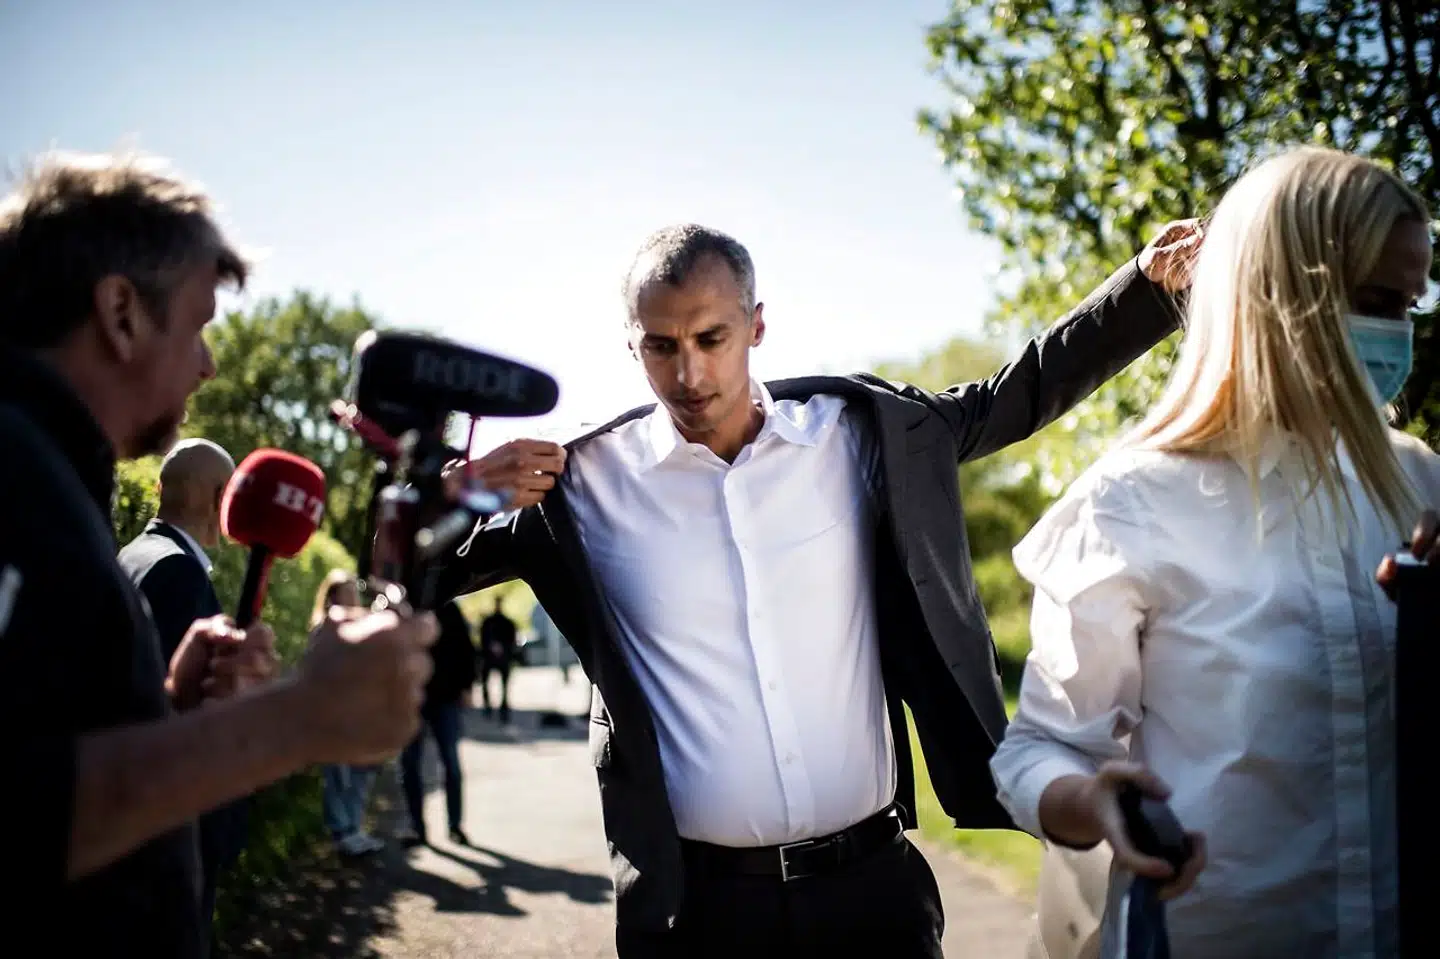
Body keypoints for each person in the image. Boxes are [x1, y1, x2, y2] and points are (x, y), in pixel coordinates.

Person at [436, 219, 1199, 957]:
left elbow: (1015, 394)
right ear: (630, 344)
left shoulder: (859, 434)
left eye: (712, 339)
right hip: (698, 914)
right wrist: (455, 492)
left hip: (873, 896)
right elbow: (409, 579)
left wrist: (1143, 288)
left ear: (757, 325)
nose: (689, 373)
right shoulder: (577, 485)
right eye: (660, 347)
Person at [990, 146, 1438, 958]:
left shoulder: (1420, 485)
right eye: (1375, 302)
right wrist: (1095, 802)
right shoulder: (1132, 502)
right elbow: (1039, 748)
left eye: (1409, 305)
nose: (1397, 336)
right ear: (1279, 294)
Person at [0, 149, 437, 957]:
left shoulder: (54, 477)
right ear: (121, 311)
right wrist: (299, 716)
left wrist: (168, 703)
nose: (208, 363)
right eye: (200, 325)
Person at [117, 437, 252, 945]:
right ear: (218, 497)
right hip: (176, 828)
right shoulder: (178, 570)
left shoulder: (136, 552)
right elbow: (187, 716)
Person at [311, 571, 385, 858]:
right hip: (335, 719)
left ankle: (354, 830)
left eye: (355, 591)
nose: (354, 597)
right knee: (339, 778)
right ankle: (342, 833)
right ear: (332, 597)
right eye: (348, 592)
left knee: (360, 777)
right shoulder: (324, 630)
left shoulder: (364, 626)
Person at [398, 600, 477, 847]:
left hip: (446, 698)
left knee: (450, 763)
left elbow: (466, 649)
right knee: (410, 764)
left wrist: (466, 687)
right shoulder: (402, 607)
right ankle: (416, 826)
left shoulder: (449, 608)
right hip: (410, 700)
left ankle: (455, 825)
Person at [478, 597, 518, 722]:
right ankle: (489, 707)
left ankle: (502, 709)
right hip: (491, 657)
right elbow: (483, 639)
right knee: (487, 683)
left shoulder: (505, 623)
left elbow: (512, 641)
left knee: (504, 686)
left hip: (502, 658)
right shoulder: (489, 622)